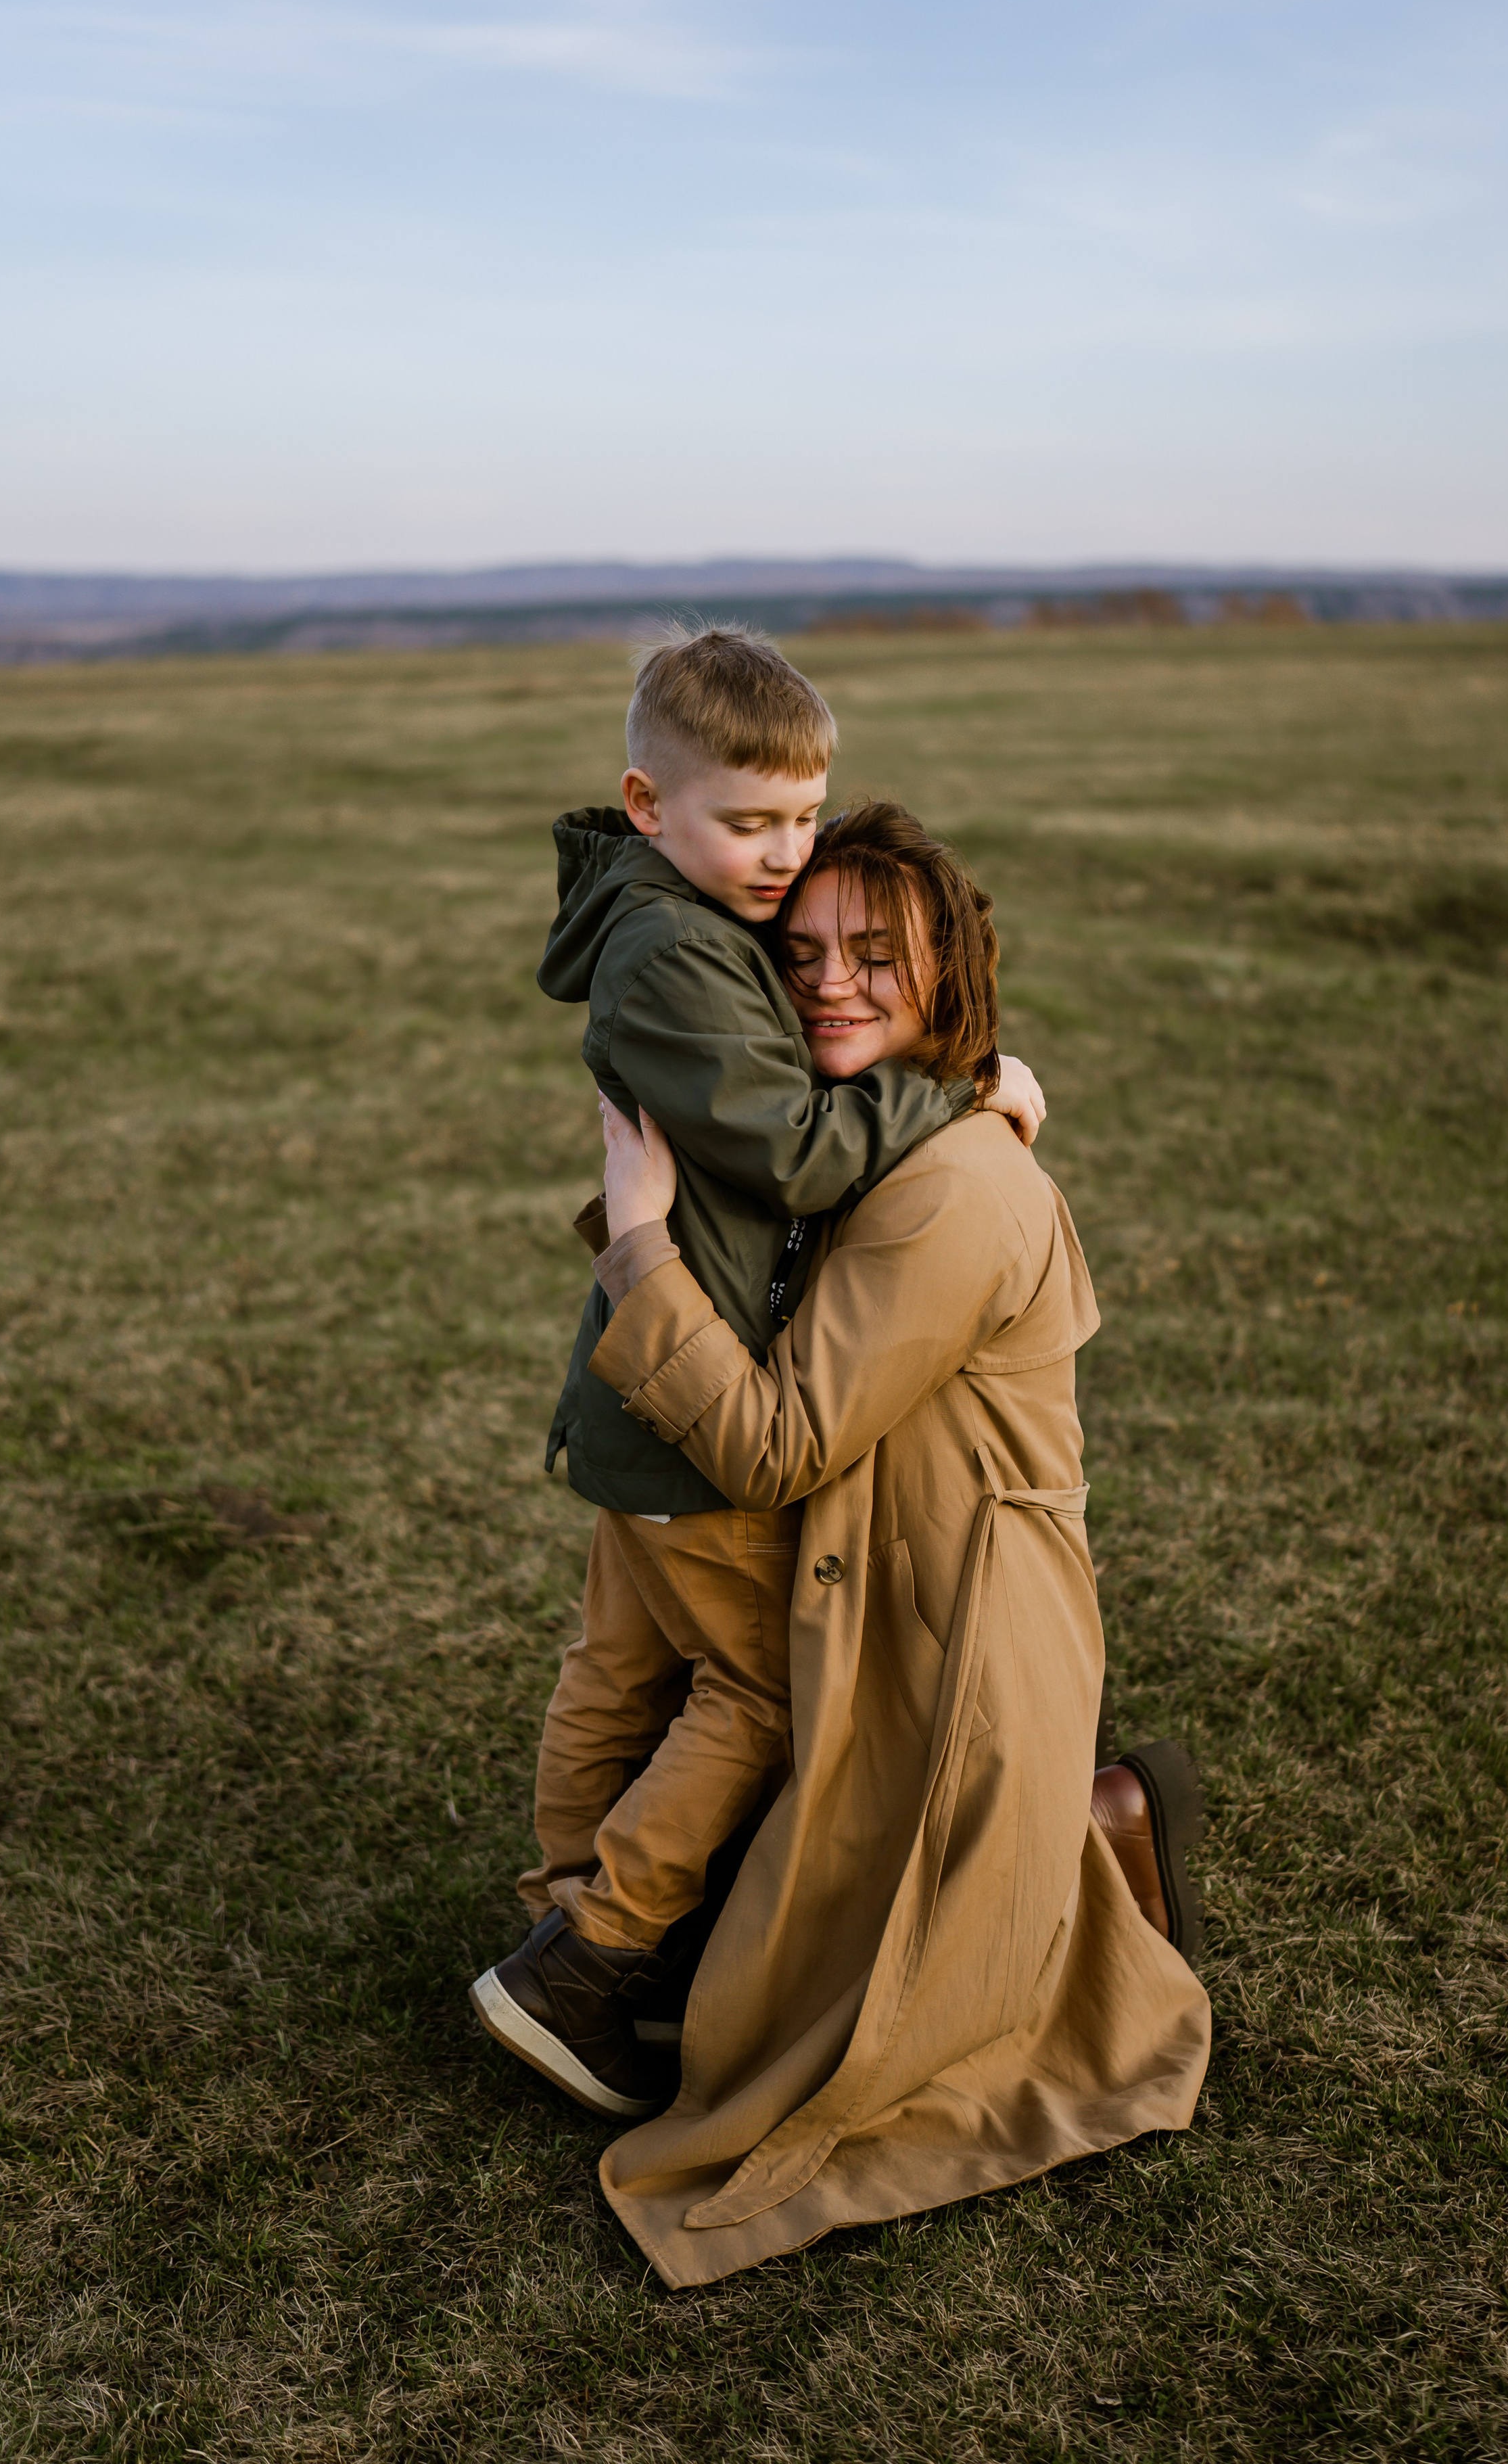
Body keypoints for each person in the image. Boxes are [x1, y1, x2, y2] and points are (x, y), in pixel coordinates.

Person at [575, 801, 1211, 2286]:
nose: (831, 981)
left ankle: (1095, 1833)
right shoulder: (872, 1143)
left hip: (956, 1621)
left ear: (949, 972)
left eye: (876, 953)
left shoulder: (951, 1185)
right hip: (866, 1570)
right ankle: (601, 1949)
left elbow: (776, 1440)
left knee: (800, 2043)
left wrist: (634, 1251)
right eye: (795, 955)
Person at [470, 630, 1045, 2116]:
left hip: (638, 1396)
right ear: (646, 803)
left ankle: (559, 1912)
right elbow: (795, 1149)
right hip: (688, 1408)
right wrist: (957, 1088)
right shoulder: (670, 948)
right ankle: (586, 1959)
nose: (786, 854)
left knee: (618, 1674)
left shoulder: (678, 914)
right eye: (752, 822)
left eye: (804, 816)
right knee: (759, 1694)